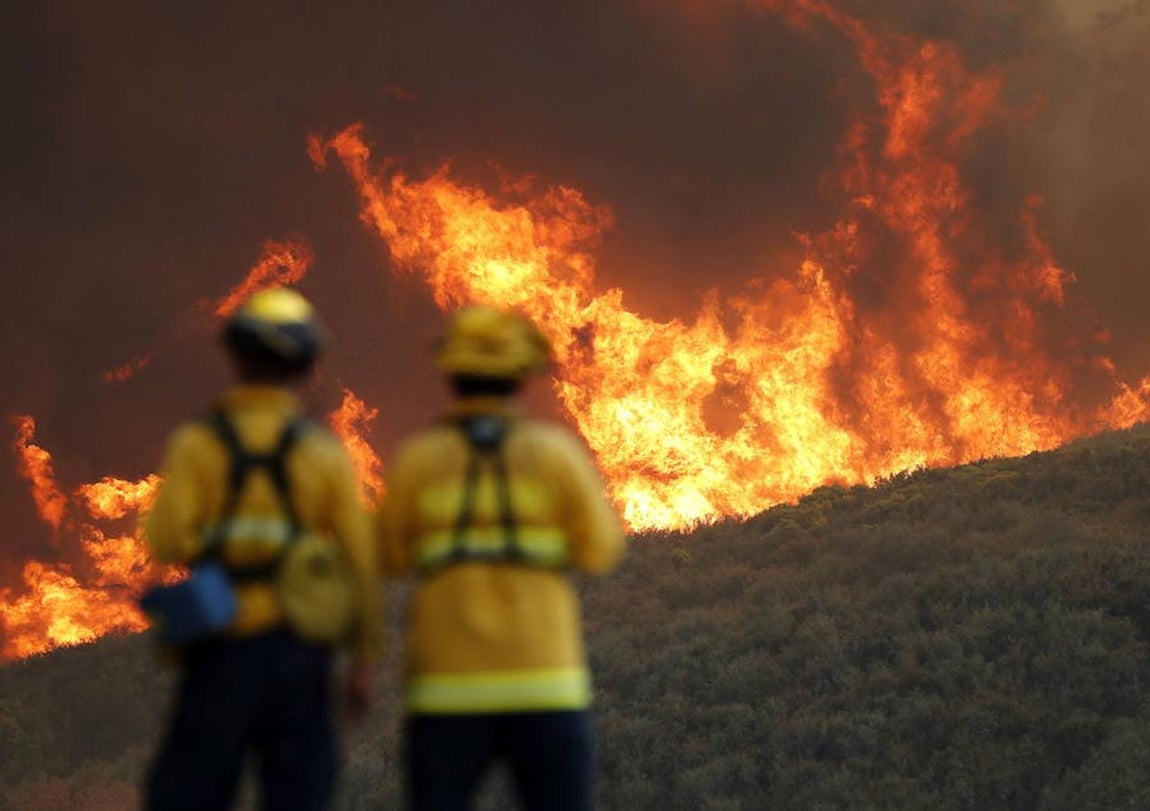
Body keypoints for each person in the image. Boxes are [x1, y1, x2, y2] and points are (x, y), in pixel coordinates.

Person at [141, 286, 381, 811]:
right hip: (299, 652)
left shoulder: (199, 444)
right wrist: (361, 663)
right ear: (306, 368)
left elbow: (163, 538)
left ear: (236, 359)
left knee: (187, 793)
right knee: (299, 795)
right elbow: (361, 560)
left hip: (220, 646)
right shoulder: (322, 453)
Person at [377, 305, 625, 811]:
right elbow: (602, 550)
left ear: (451, 374)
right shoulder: (556, 457)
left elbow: (388, 557)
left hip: (446, 690)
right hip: (545, 687)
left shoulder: (420, 461)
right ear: (522, 377)